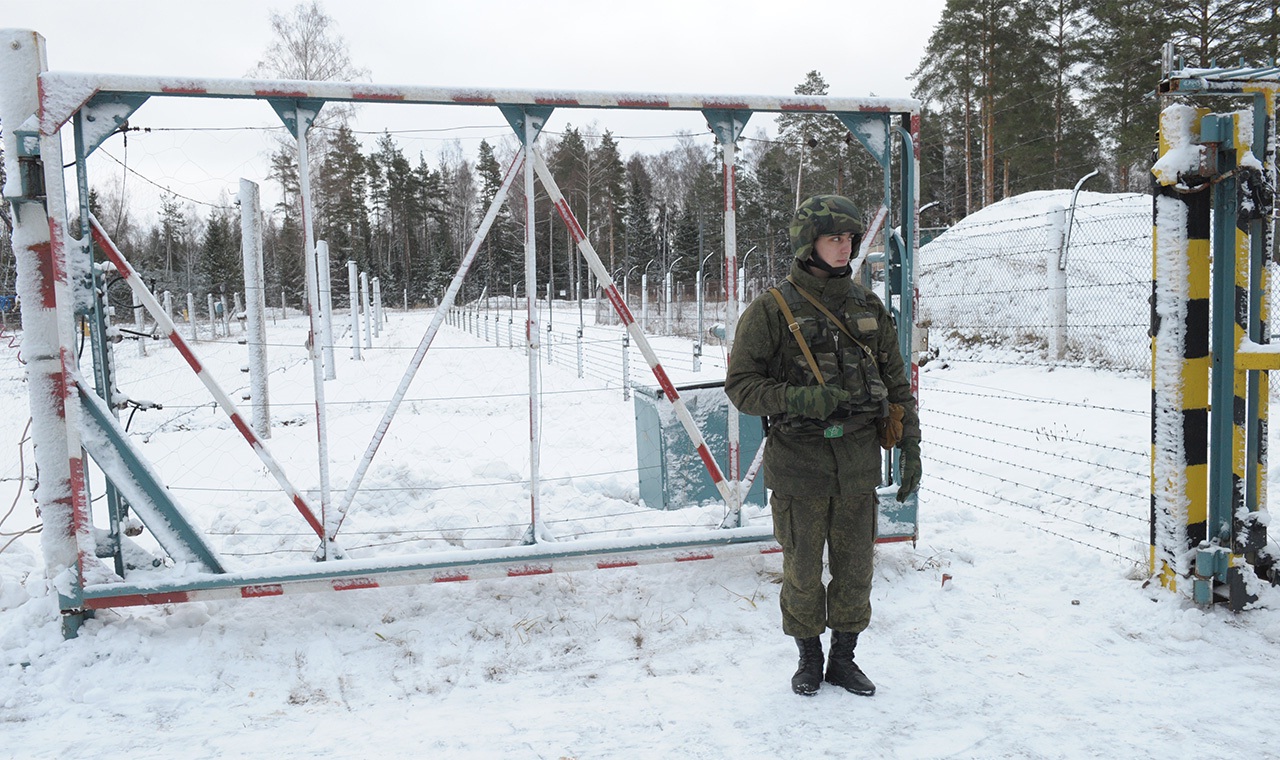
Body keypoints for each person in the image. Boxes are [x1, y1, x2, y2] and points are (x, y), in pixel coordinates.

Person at [724, 194, 921, 697]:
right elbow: (741, 386)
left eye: (850, 238)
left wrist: (911, 443)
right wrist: (799, 397)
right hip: (800, 463)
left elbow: (897, 385)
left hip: (857, 460)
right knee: (803, 571)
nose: (844, 247)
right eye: (834, 238)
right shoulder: (771, 310)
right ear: (807, 243)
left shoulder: (866, 305)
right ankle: (808, 659)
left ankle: (844, 659)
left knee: (856, 570)